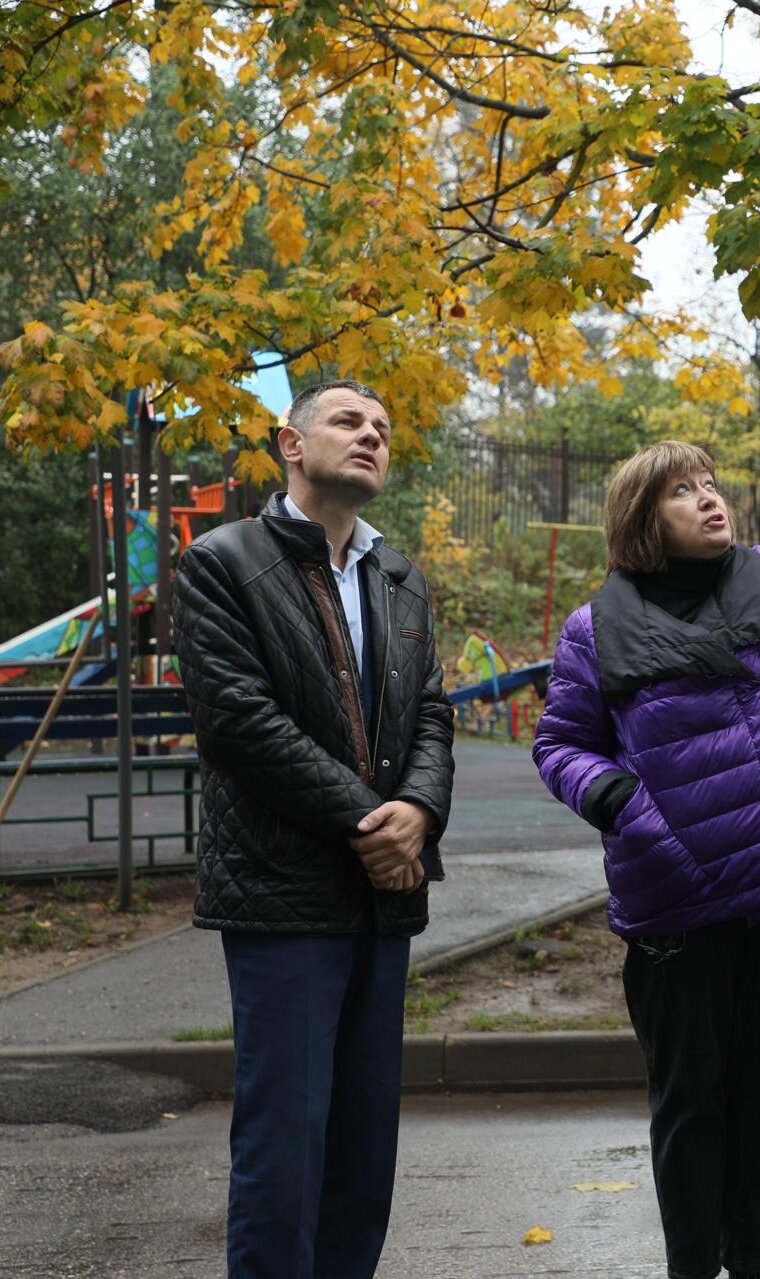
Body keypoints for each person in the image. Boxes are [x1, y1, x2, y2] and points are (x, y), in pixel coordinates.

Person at [531, 288, 760, 1279]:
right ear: (642, 519)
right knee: (690, 1106)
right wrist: (621, 805)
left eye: (710, 482)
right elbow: (560, 744)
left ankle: (752, 1265)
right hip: (677, 907)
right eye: (682, 489)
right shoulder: (592, 629)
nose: (709, 496)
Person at [172, 380, 455, 1278]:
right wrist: (372, 819)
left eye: (382, 426)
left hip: (384, 895)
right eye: (349, 421)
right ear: (289, 443)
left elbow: (434, 714)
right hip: (283, 893)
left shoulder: (400, 575)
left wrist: (419, 811)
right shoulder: (222, 561)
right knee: (284, 1151)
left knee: (363, 1157)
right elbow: (240, 723)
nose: (372, 434)